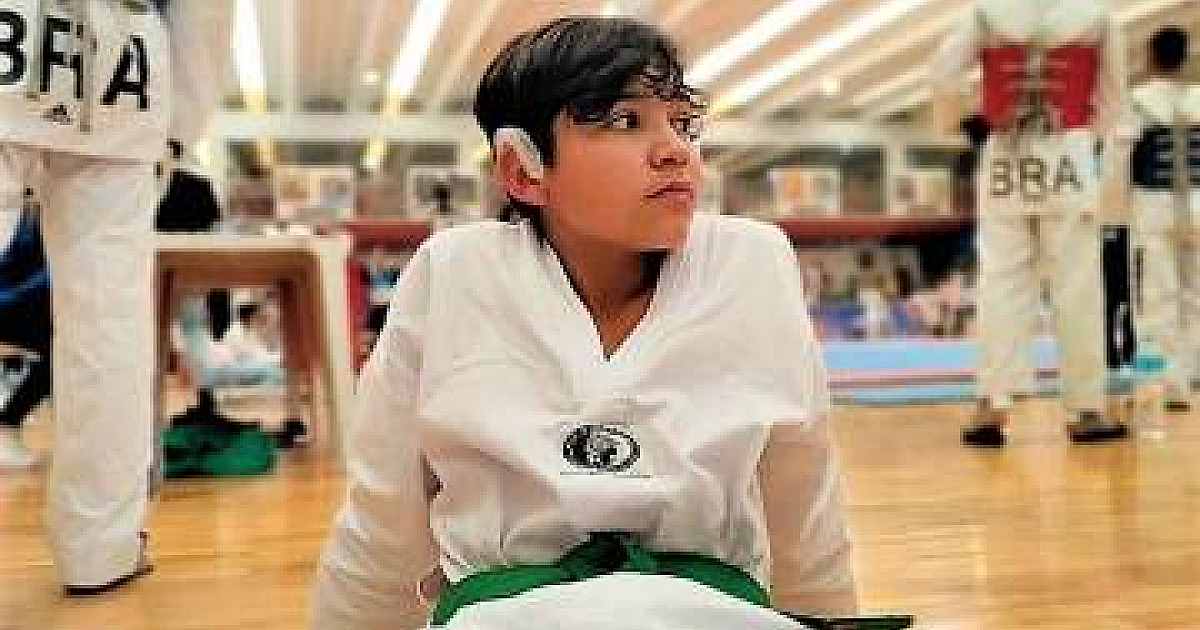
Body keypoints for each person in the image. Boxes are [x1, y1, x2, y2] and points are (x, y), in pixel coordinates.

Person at [312, 16, 865, 630]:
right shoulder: (455, 272)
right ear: (524, 170)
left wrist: (827, 617)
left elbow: (804, 503)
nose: (675, 149)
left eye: (682, 122)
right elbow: (383, 522)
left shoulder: (751, 262)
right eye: (626, 122)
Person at [0, 0, 233, 593]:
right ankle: (100, 548)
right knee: (108, 325)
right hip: (123, 68)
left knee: (110, 323)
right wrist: (181, 124)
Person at [930, 0, 1131, 446]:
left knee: (1000, 282)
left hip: (1005, 153)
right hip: (1070, 152)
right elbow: (1116, 103)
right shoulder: (1097, 18)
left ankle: (991, 405)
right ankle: (1086, 408)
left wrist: (969, 125)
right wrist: (1091, 141)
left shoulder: (986, 14)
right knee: (1077, 284)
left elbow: (942, 77)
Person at [1127, 26, 1200, 412]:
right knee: (1194, 294)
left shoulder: (1138, 100)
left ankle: (1172, 382)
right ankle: (1189, 375)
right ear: (1185, 57)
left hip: (1155, 203)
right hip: (1198, 204)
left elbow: (1124, 160)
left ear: (1152, 56)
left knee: (1160, 295)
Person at [0, 191, 50, 468]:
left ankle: (9, 422)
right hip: (14, 304)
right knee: (67, 345)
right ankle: (8, 422)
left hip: (18, 302)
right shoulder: (28, 218)